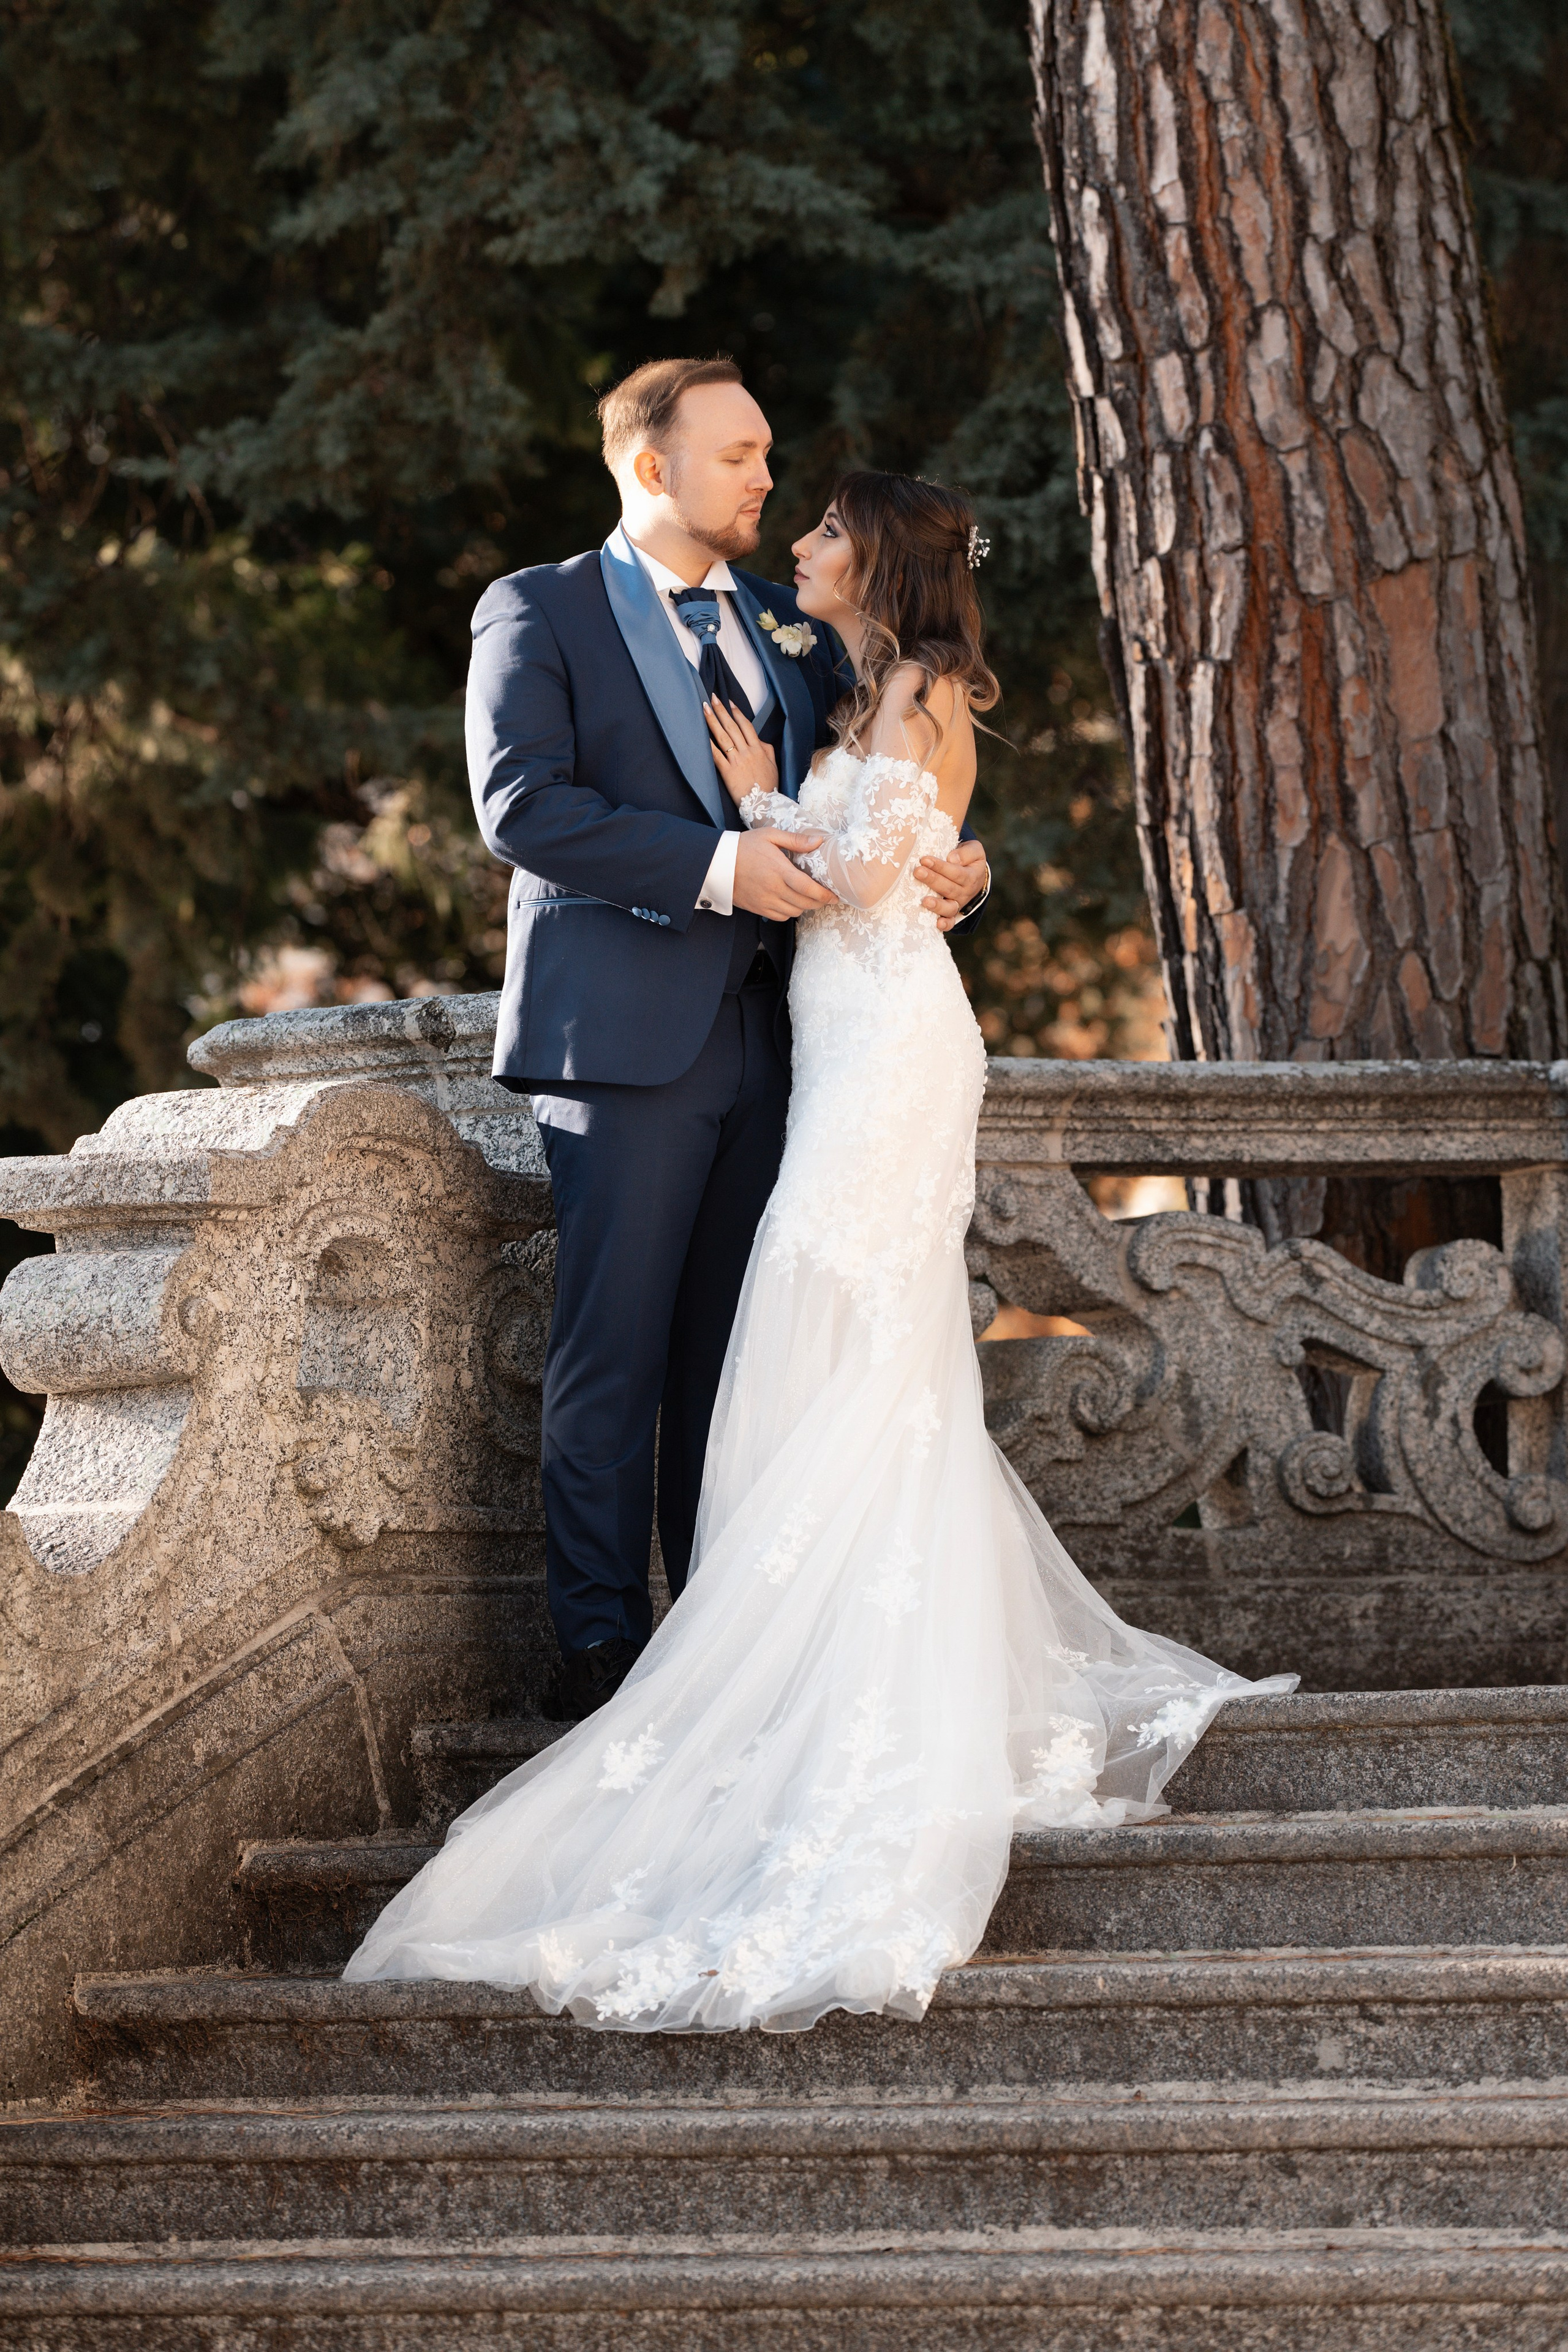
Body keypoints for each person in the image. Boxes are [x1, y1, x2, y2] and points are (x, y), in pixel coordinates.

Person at [345, 469, 1296, 2030]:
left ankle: (796, 1665)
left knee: (829, 1324)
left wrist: (763, 810)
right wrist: (840, 828)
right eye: (768, 488)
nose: (793, 534)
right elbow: (882, 849)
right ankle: (725, 1655)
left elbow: (875, 870)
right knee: (823, 1342)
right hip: (830, 1038)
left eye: (822, 526)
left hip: (876, 1051)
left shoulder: (900, 685)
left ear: (879, 560)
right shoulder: (825, 672)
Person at [462, 356, 992, 1722]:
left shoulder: (792, 625)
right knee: (611, 1356)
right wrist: (717, 866)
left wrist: (965, 865)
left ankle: (721, 1657)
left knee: (734, 1362)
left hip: (791, 1052)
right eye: (741, 456)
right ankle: (599, 1657)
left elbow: (889, 791)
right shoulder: (540, 609)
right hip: (625, 1044)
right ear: (652, 467)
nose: (768, 480)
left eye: (768, 458)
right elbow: (521, 806)